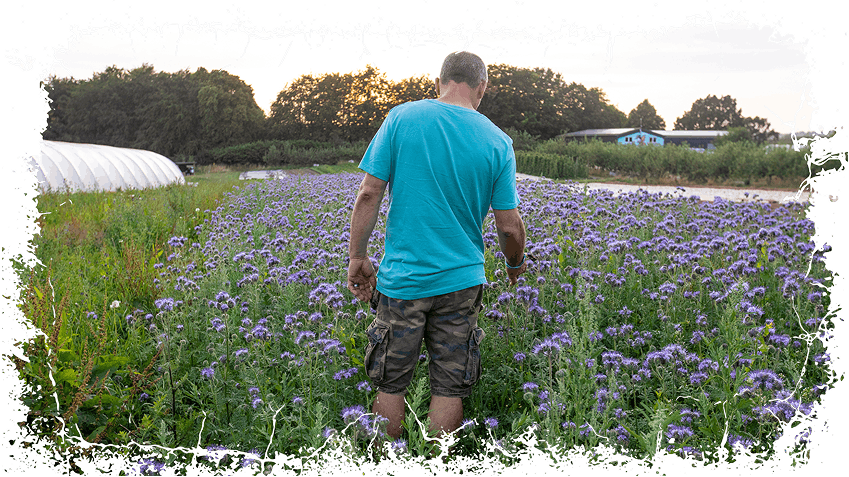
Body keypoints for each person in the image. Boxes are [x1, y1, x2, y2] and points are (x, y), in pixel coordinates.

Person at [346, 51, 527, 453]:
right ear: (482, 88)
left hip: (403, 282)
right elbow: (509, 226)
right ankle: (436, 463)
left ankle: (383, 462)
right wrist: (515, 265)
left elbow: (369, 194)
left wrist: (358, 257)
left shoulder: (401, 118)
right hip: (461, 283)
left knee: (391, 380)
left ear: (438, 82)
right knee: (450, 385)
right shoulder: (498, 141)